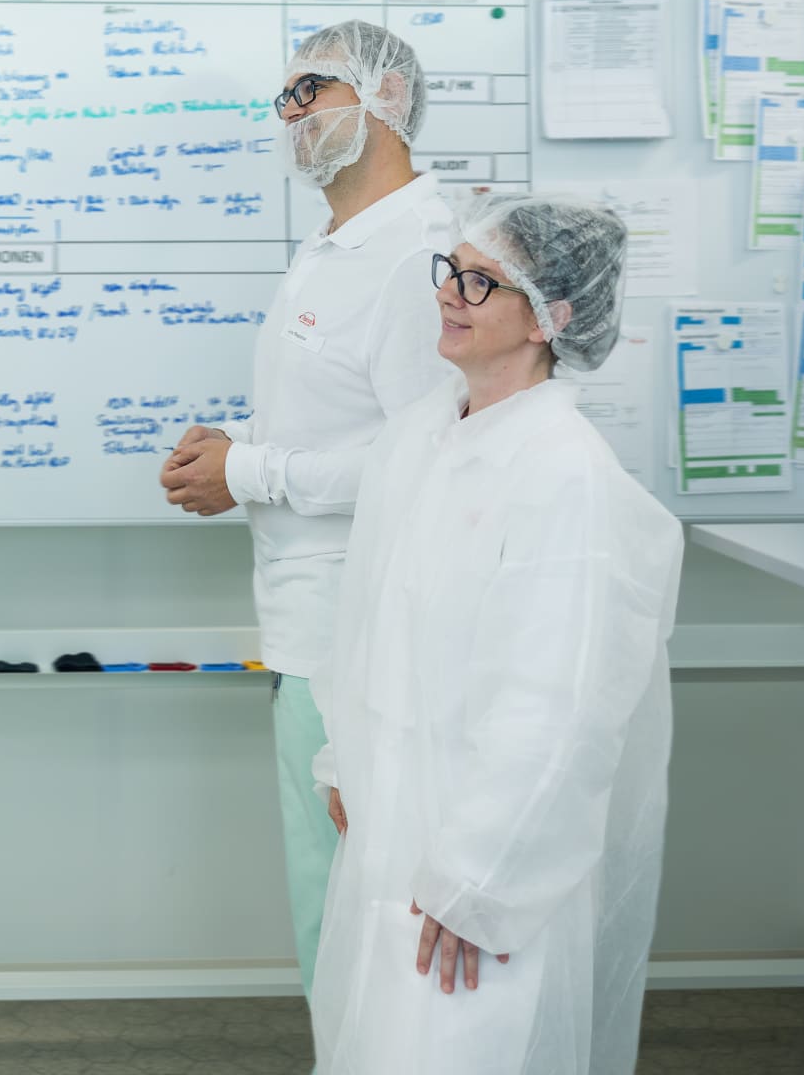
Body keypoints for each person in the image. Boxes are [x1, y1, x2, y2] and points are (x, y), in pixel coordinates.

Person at [310, 194, 682, 1074]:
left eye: (480, 283)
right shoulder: (418, 438)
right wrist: (340, 761)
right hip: (388, 838)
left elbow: (558, 712)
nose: (450, 293)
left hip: (482, 880)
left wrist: (481, 881)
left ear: (550, 317)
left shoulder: (567, 478)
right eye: (452, 271)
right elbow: (364, 620)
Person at [158, 20, 457, 1012]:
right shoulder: (332, 247)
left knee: (363, 925)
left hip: (363, 639)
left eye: (312, 90)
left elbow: (421, 459)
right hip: (306, 632)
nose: (291, 113)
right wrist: (238, 450)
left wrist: (252, 469)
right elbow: (336, 418)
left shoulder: (418, 257)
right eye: (284, 97)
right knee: (329, 916)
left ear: (389, 100)